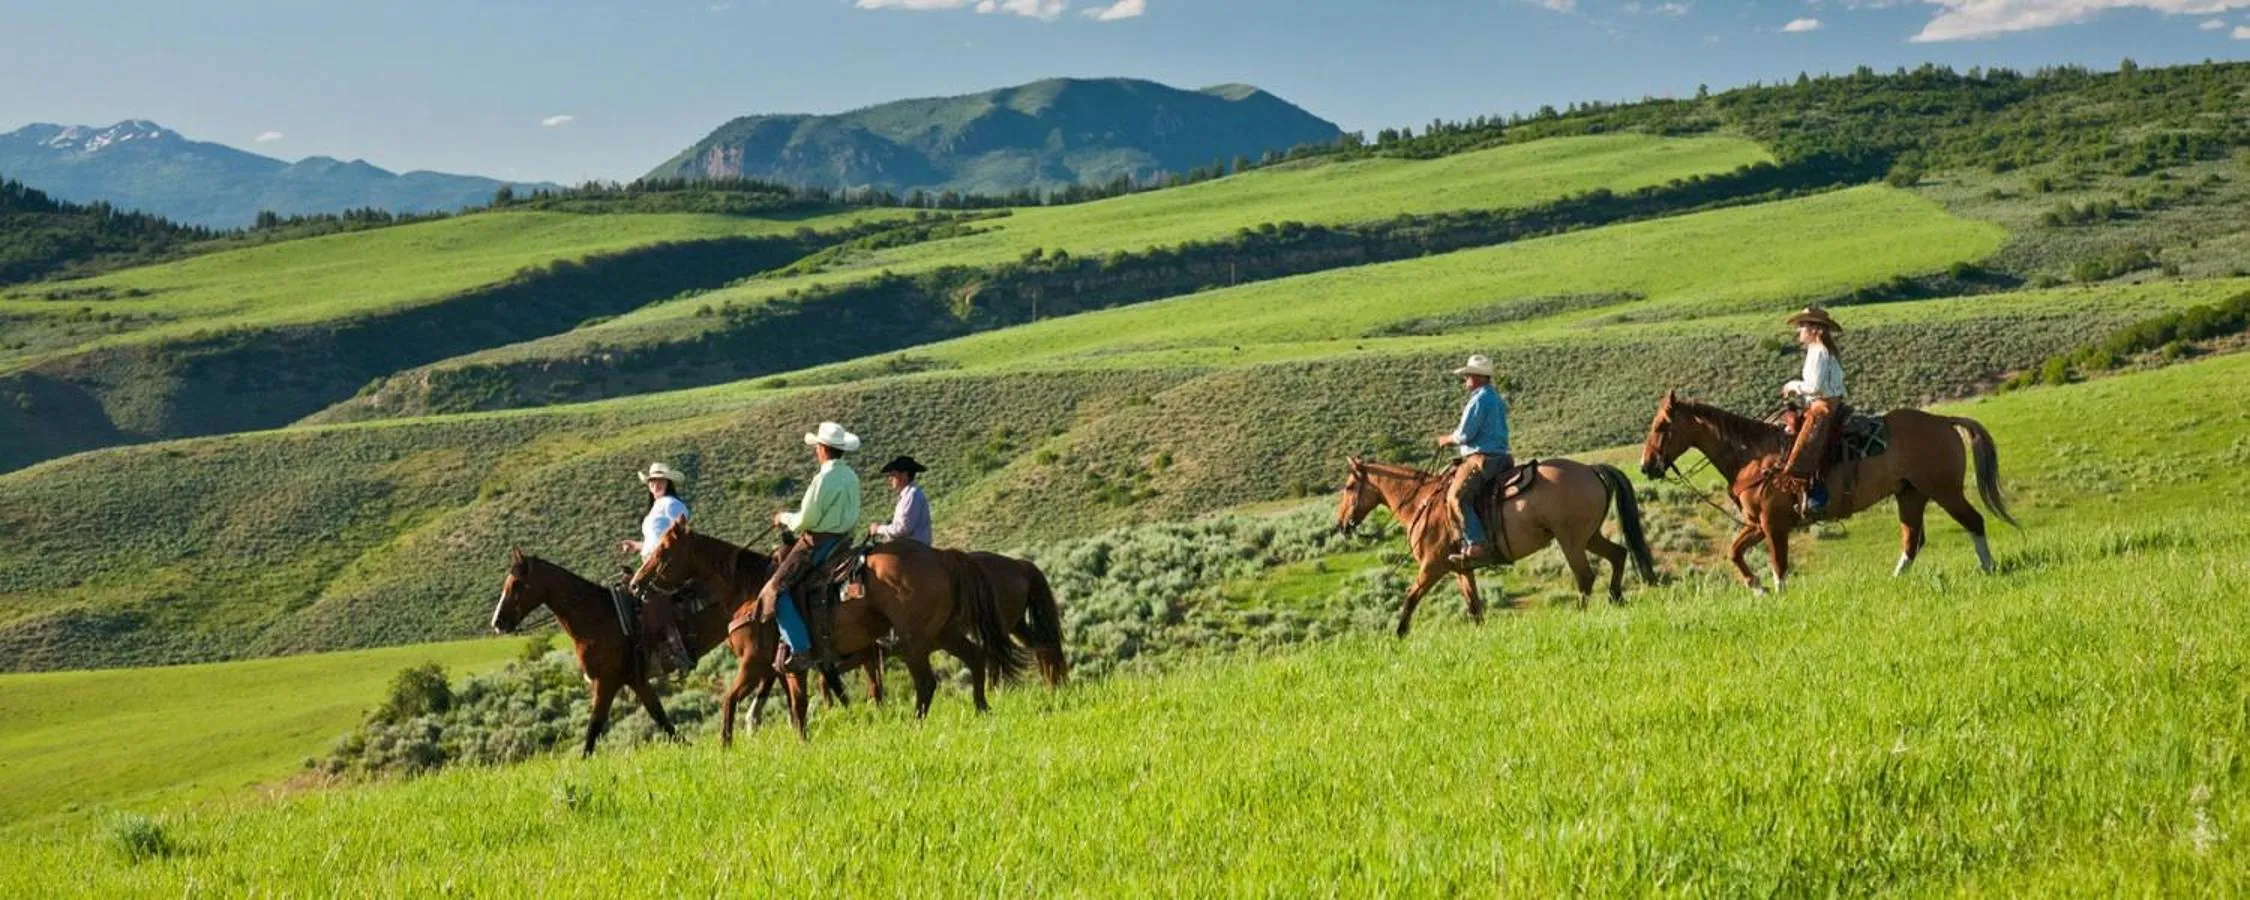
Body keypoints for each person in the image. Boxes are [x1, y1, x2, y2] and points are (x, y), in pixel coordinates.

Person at [756, 422, 862, 673]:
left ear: (823, 449)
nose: (816, 451)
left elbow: (806, 520)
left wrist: (783, 518)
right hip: (843, 541)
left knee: (775, 591)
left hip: (817, 543)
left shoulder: (823, 479)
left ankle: (800, 648)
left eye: (817, 447)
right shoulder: (850, 476)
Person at [1436, 354, 1513, 568]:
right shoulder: (1494, 397)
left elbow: (1464, 435)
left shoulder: (1479, 399)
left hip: (1482, 458)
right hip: (1502, 457)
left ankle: (1477, 544)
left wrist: (1446, 439)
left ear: (1478, 377)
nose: (1466, 379)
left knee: (1457, 497)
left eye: (1468, 375)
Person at [621, 462, 694, 672]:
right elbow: (654, 540)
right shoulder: (656, 507)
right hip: (651, 561)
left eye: (660, 481)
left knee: (651, 596)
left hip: (664, 562)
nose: (655, 485)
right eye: (652, 481)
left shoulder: (671, 503)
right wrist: (635, 546)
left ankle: (675, 648)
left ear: (668, 482)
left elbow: (680, 531)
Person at [1780, 306, 1848, 515]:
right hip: (1822, 403)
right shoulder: (1820, 350)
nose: (1799, 331)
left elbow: (1814, 387)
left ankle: (1817, 495)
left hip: (1823, 406)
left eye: (1802, 326)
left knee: (1807, 445)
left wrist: (1792, 385)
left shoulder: (1819, 352)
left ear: (1813, 329)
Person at [869, 456, 933, 546]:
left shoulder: (911, 495)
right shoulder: (910, 494)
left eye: (893, 474)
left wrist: (878, 529)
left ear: (904, 475)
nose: (890, 478)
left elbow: (902, 529)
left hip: (914, 550)